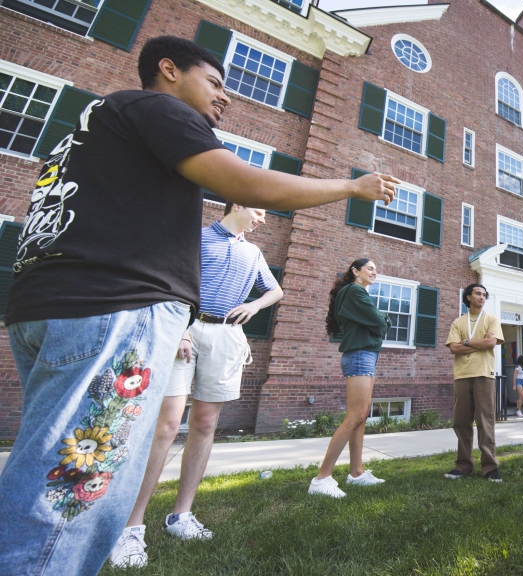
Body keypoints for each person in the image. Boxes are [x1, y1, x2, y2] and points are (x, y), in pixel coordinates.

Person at [0, 35, 397, 576]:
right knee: (75, 495)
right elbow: (249, 183)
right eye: (215, 82)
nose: (225, 98)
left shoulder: (93, 129)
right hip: (113, 309)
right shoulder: (157, 107)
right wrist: (351, 187)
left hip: (43, 306)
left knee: (44, 469)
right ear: (168, 70)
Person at [110, 203, 283, 568]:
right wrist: (182, 330)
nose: (263, 219)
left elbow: (275, 291)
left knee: (205, 424)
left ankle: (180, 516)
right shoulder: (198, 238)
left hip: (227, 337)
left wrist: (253, 306)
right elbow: (171, 283)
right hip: (183, 331)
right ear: (237, 204)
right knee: (168, 425)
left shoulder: (253, 252)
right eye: (260, 211)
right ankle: (130, 526)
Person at [308, 259, 392, 499]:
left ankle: (356, 473)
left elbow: (376, 321)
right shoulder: (355, 291)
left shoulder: (355, 292)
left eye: (377, 268)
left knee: (361, 416)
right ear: (356, 272)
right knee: (355, 415)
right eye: (370, 268)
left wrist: (380, 320)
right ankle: (321, 478)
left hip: (364, 354)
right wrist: (383, 320)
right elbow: (378, 322)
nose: (375, 271)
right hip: (359, 355)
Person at [444, 284, 505, 482]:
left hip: (484, 375)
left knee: (485, 421)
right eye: (478, 293)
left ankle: (489, 467)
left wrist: (467, 342)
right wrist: (478, 343)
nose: (482, 297)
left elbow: (491, 344)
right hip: (461, 375)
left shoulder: (491, 319)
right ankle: (463, 465)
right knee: (461, 422)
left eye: (484, 294)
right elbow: (453, 348)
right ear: (468, 297)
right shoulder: (458, 322)